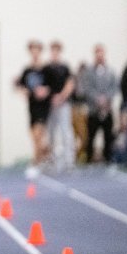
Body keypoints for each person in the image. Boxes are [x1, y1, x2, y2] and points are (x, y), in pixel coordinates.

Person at [15, 40, 51, 178]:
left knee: (38, 134)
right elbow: (21, 85)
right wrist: (23, 91)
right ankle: (45, 155)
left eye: (37, 51)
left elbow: (53, 86)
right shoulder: (28, 70)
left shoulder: (46, 69)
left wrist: (45, 90)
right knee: (34, 137)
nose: (35, 53)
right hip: (32, 106)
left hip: (43, 106)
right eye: (32, 51)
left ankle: (35, 163)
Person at [43, 40, 76, 172]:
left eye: (57, 51)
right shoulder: (46, 69)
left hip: (63, 104)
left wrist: (61, 96)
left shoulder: (65, 68)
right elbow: (43, 86)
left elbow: (70, 84)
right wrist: (51, 97)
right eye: (53, 51)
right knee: (50, 133)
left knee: (66, 131)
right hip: (50, 105)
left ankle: (69, 160)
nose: (54, 54)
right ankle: (51, 160)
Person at [82, 43, 118, 163]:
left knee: (108, 137)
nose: (99, 55)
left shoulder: (111, 71)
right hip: (93, 110)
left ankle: (108, 160)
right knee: (90, 136)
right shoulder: (88, 72)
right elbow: (87, 88)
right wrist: (97, 99)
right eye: (97, 52)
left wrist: (106, 98)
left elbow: (114, 87)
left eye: (101, 52)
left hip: (107, 110)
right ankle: (89, 160)